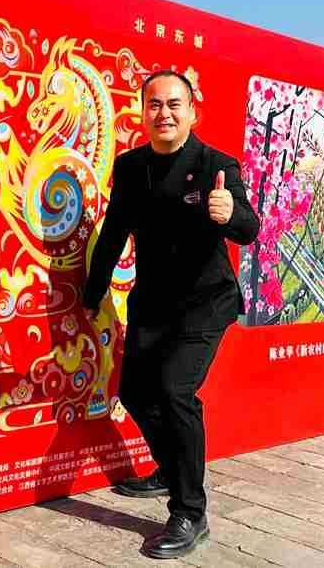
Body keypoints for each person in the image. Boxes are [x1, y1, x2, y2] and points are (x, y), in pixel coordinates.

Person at [82, 69, 260, 559]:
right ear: (143, 112)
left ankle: (190, 511)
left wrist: (230, 213)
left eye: (174, 104)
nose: (164, 113)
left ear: (192, 112)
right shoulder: (130, 167)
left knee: (174, 391)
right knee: (135, 393)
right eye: (154, 104)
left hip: (204, 303)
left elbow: (249, 228)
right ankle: (171, 469)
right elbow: (113, 232)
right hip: (153, 302)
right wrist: (93, 292)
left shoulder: (216, 166)